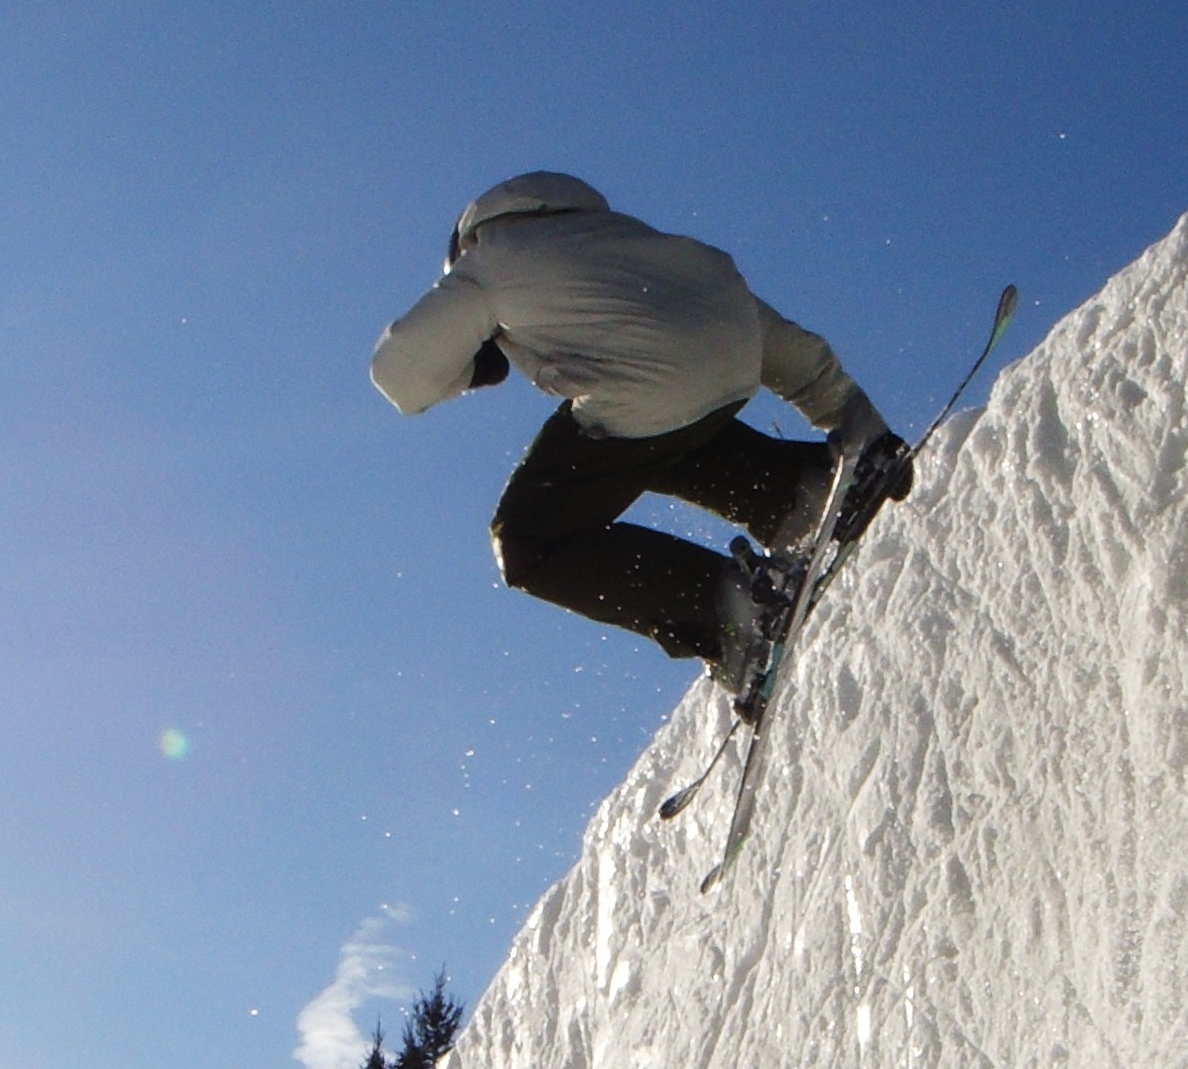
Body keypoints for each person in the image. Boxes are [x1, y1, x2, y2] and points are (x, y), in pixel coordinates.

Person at [372, 174, 910, 698]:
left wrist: (471, 369)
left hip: (642, 391)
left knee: (526, 542)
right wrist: (859, 423)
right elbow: (773, 339)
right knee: (655, 431)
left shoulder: (487, 262)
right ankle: (801, 490)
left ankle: (726, 604)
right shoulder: (635, 240)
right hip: (725, 368)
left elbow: (401, 373)